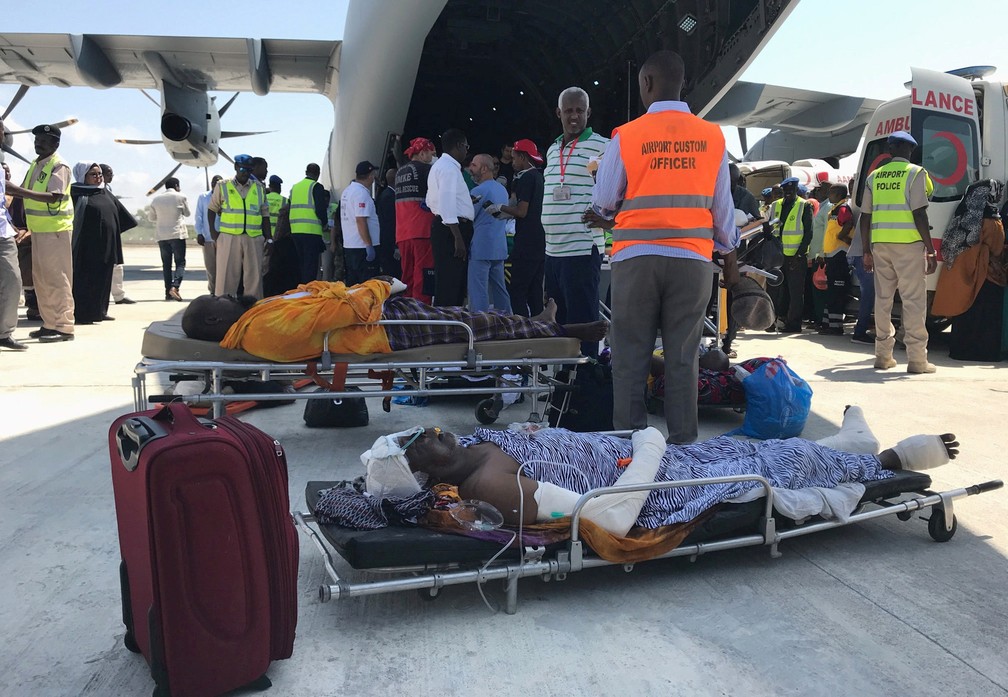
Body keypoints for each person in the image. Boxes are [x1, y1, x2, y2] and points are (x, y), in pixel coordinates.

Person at [386, 418, 959, 534]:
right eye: (416, 443)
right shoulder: (492, 488)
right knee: (772, 465)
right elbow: (608, 515)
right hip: (657, 483)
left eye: (422, 429)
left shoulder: (478, 445)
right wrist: (650, 446)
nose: (429, 432)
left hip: (644, 455)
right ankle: (888, 461)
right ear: (419, 473)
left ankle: (848, 447)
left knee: (757, 447)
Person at [590, 49, 740, 444]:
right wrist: (729, 253)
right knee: (683, 358)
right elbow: (722, 207)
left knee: (630, 356)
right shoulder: (712, 136)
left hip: (636, 258)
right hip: (692, 261)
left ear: (647, 82)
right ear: (683, 83)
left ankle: (629, 446)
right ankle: (683, 446)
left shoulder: (628, 135)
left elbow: (603, 200)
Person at [187, 281, 608, 362]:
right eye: (217, 299)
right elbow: (342, 313)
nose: (225, 294)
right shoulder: (261, 330)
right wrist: (380, 285)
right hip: (379, 329)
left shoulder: (257, 316)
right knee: (477, 328)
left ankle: (541, 323)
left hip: (381, 317)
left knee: (472, 317)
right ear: (214, 318)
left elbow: (317, 299)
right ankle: (558, 330)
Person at [859, 131, 937, 374]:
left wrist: (866, 250)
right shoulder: (916, 173)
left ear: (890, 150)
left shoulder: (874, 176)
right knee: (913, 300)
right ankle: (917, 360)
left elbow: (865, 217)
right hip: (908, 245)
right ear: (910, 150)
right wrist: (931, 250)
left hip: (880, 245)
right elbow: (919, 213)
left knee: (883, 300)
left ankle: (883, 356)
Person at [543, 86, 609, 356]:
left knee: (584, 321)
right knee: (557, 322)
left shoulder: (603, 147)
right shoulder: (552, 149)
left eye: (579, 111)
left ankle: (588, 376)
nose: (574, 116)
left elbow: (623, 187)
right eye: (568, 110)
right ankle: (564, 376)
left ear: (588, 113)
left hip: (581, 248)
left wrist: (609, 220)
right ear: (558, 113)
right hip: (552, 251)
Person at [6, 124, 76, 342]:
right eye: (36, 141)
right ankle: (49, 323)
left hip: (55, 230)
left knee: (58, 279)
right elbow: (24, 193)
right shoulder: (36, 164)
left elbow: (54, 196)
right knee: (42, 279)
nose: (38, 144)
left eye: (44, 141)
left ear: (56, 143)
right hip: (39, 230)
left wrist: (15, 189)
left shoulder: (59, 166)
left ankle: (64, 327)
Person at [69, 163, 136, 324]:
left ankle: (100, 311)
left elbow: (121, 215)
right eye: (93, 174)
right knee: (85, 280)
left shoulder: (104, 192)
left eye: (99, 174)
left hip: (106, 245)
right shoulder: (75, 192)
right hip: (86, 246)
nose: (98, 177)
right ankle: (83, 314)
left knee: (104, 279)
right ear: (83, 175)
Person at [207, 154, 273, 299]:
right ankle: (223, 305)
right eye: (242, 169)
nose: (245, 173)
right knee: (226, 276)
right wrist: (213, 233)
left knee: (254, 277)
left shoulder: (259, 188)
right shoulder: (223, 186)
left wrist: (269, 238)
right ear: (236, 167)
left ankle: (253, 306)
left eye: (249, 170)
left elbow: (265, 214)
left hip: (253, 237)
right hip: (229, 237)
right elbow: (212, 209)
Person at [426, 129, 474, 306]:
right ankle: (447, 321)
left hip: (446, 226)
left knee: (451, 281)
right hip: (452, 229)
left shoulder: (439, 166)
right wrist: (457, 237)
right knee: (451, 283)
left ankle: (449, 320)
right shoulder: (448, 168)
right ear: (459, 145)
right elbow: (446, 203)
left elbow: (431, 200)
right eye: (466, 147)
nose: (467, 151)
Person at [499, 138, 546, 317]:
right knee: (535, 291)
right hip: (540, 241)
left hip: (526, 243)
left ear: (523, 157)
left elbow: (522, 211)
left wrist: (501, 208)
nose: (512, 162)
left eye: (514, 158)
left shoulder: (526, 178)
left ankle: (523, 327)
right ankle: (540, 327)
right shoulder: (539, 177)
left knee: (517, 290)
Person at [768, 176, 813, 333]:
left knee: (795, 292)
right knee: (775, 290)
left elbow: (808, 233)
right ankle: (771, 321)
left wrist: (799, 255)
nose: (788, 192)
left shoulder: (804, 205)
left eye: (791, 190)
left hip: (795, 257)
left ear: (796, 190)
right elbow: (770, 229)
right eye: (785, 190)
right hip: (777, 256)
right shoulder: (775, 205)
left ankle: (794, 324)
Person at [394, 137, 437, 303]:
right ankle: (421, 311)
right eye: (431, 153)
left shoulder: (400, 172)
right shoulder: (427, 170)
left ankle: (406, 309)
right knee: (423, 275)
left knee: (407, 276)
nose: (433, 157)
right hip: (422, 230)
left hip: (403, 232)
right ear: (423, 153)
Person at [467, 154, 511, 312]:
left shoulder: (478, 190)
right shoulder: (502, 189)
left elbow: (468, 215)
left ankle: (479, 322)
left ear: (484, 168)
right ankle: (508, 319)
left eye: (474, 165)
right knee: (500, 289)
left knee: (478, 290)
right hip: (499, 247)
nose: (470, 168)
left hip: (481, 247)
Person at [0, 119, 28, 349]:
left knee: (13, 280)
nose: (2, 134)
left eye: (1, 130)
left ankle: (4, 332)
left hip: (3, 232)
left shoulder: (1, 167)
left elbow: (6, 194)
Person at [149, 176, 191, 301]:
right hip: (177, 234)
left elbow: (151, 218)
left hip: (162, 236)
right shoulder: (181, 197)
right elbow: (187, 213)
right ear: (177, 186)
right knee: (180, 263)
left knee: (166, 265)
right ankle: (175, 287)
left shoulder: (156, 199)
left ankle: (167, 293)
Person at [340, 161, 381, 286]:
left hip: (350, 246)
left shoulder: (347, 191)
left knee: (353, 285)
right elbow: (361, 220)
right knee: (367, 286)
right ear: (370, 176)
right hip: (362, 248)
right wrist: (369, 245)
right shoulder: (361, 193)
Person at [288, 164, 330, 284]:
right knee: (310, 266)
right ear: (318, 174)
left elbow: (289, 206)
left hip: (295, 231)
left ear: (306, 172)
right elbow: (320, 209)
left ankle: (300, 289)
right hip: (311, 231)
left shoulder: (295, 187)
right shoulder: (316, 186)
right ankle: (308, 290)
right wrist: (325, 223)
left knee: (300, 264)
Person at [819, 184, 853, 335]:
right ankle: (828, 324)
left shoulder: (842, 208)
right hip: (832, 254)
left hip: (839, 254)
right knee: (831, 291)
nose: (829, 195)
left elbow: (849, 222)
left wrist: (842, 236)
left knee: (836, 292)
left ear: (839, 194)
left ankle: (835, 326)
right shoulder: (835, 208)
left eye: (831, 192)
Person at [101, 164, 134, 306]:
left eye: (112, 174)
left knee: (117, 266)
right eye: (108, 174)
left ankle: (119, 295)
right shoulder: (96, 192)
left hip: (112, 235)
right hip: (101, 237)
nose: (111, 176)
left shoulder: (107, 191)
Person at [194, 174, 223, 294]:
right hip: (208, 238)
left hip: (224, 238)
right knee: (211, 268)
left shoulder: (226, 196)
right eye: (214, 183)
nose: (216, 185)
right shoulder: (203, 197)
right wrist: (199, 233)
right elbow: (199, 216)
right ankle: (212, 292)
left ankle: (222, 292)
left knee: (224, 268)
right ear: (211, 185)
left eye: (219, 183)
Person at [376, 168, 401, 279]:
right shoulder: (389, 197)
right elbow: (390, 223)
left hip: (387, 242)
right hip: (389, 244)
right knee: (393, 273)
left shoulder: (385, 195)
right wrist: (395, 246)